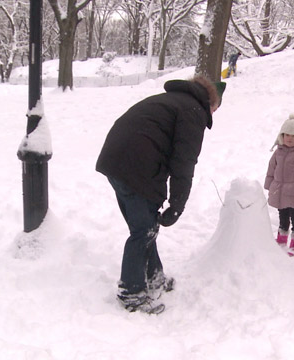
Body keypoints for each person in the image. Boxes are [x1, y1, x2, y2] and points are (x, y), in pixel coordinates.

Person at [96, 76, 226, 313]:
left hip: (115, 162)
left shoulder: (171, 100)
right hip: (136, 166)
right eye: (216, 109)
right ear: (211, 103)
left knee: (145, 225)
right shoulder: (193, 110)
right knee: (143, 230)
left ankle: (154, 277)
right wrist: (177, 204)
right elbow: (183, 163)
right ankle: (132, 293)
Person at [264, 114, 294, 257]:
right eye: (287, 135)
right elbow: (271, 168)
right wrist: (269, 185)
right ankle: (281, 238)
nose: (290, 138)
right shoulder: (278, 151)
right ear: (282, 135)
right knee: (283, 215)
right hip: (280, 191)